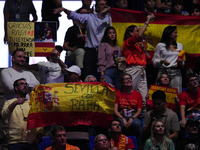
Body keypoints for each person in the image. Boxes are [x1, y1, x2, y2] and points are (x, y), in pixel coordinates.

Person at [53, 0, 111, 79]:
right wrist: (64, 9)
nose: (104, 6)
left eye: (105, 4)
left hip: (105, 52)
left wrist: (109, 10)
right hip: (91, 52)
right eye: (102, 4)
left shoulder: (111, 18)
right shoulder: (90, 17)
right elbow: (74, 15)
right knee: (88, 76)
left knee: (105, 77)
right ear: (96, 8)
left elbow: (120, 12)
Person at [123, 15, 154, 109]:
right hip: (132, 70)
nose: (139, 32)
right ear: (131, 33)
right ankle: (129, 115)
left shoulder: (139, 45)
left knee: (144, 97)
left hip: (142, 70)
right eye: (137, 30)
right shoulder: (128, 43)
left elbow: (149, 59)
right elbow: (139, 35)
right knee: (130, 93)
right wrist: (147, 21)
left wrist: (143, 48)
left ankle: (144, 118)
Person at [1, 78, 43, 150]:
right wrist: (15, 103)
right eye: (22, 84)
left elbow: (39, 122)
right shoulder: (9, 102)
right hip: (15, 143)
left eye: (26, 84)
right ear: (16, 88)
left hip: (31, 142)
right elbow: (4, 115)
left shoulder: (33, 103)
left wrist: (39, 138)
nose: (25, 86)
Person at [152, 26, 184, 94]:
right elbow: (154, 62)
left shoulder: (180, 45)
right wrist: (161, 61)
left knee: (176, 95)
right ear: (169, 34)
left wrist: (181, 62)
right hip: (163, 73)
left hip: (176, 72)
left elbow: (183, 63)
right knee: (160, 94)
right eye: (175, 33)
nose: (177, 35)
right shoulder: (160, 45)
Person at [114, 73, 143, 146]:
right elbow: (115, 110)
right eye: (125, 79)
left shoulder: (137, 94)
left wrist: (132, 118)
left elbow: (139, 110)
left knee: (136, 123)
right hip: (121, 117)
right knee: (119, 124)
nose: (128, 80)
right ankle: (117, 145)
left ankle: (140, 146)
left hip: (134, 117)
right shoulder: (117, 94)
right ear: (121, 83)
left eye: (129, 78)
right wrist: (122, 118)